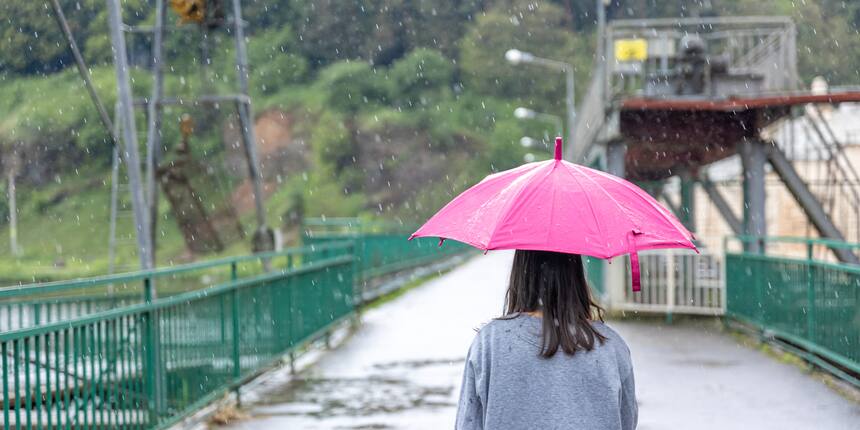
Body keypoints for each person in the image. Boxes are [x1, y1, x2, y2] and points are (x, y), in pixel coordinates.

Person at [455, 250, 637, 430]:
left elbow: (468, 423)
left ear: (520, 270)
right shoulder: (612, 346)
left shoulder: (490, 343)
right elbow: (626, 422)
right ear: (577, 273)